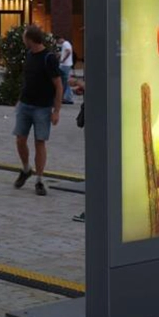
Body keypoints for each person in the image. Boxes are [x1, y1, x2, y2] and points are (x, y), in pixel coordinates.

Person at [14, 25, 62, 196]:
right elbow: (28, 80)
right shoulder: (29, 55)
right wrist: (19, 100)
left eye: (24, 37)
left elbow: (58, 85)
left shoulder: (48, 58)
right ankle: (26, 169)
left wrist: (56, 111)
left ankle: (39, 179)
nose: (22, 40)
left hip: (42, 107)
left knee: (39, 142)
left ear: (30, 39)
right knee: (20, 139)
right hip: (25, 104)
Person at [69, 75, 87, 222]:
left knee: (98, 167)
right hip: (94, 115)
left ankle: (95, 210)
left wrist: (78, 82)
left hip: (100, 118)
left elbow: (100, 86)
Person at [56, 35, 75, 104]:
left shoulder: (65, 44)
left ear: (60, 39)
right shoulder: (66, 44)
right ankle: (67, 97)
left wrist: (63, 60)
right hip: (65, 65)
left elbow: (68, 51)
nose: (58, 43)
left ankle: (68, 97)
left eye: (58, 41)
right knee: (65, 81)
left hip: (65, 65)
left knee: (64, 81)